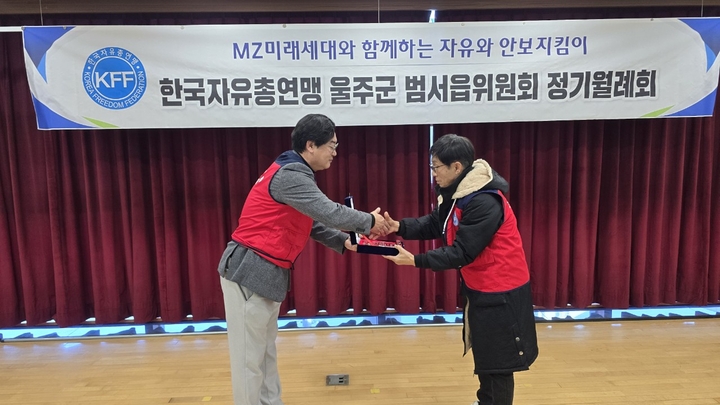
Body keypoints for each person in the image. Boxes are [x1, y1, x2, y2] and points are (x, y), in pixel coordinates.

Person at [217, 113, 389, 405]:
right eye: (332, 146)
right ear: (311, 145)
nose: (335, 152)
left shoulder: (292, 170)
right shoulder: (291, 174)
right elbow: (329, 212)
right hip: (249, 272)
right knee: (249, 362)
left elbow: (311, 222)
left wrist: (343, 241)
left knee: (265, 354)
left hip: (263, 274)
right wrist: (369, 221)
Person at [381, 134, 538, 405]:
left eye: (436, 167)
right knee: (486, 355)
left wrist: (416, 260)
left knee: (499, 364)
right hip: (480, 286)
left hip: (502, 291)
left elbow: (462, 252)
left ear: (456, 167)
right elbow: (437, 223)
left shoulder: (484, 201)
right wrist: (399, 226)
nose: (433, 174)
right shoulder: (458, 191)